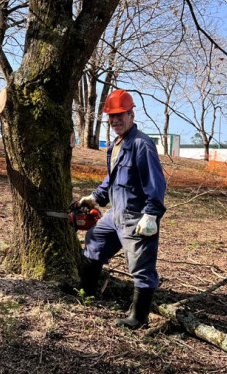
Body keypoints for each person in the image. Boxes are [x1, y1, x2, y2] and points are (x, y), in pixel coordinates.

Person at [76, 89, 167, 329]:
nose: (115, 120)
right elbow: (113, 177)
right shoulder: (117, 144)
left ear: (131, 114)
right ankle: (86, 291)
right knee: (95, 240)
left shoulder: (141, 144)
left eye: (120, 115)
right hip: (115, 213)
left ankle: (139, 317)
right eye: (111, 116)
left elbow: (156, 183)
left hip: (136, 216)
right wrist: (95, 197)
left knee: (141, 265)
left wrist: (152, 214)